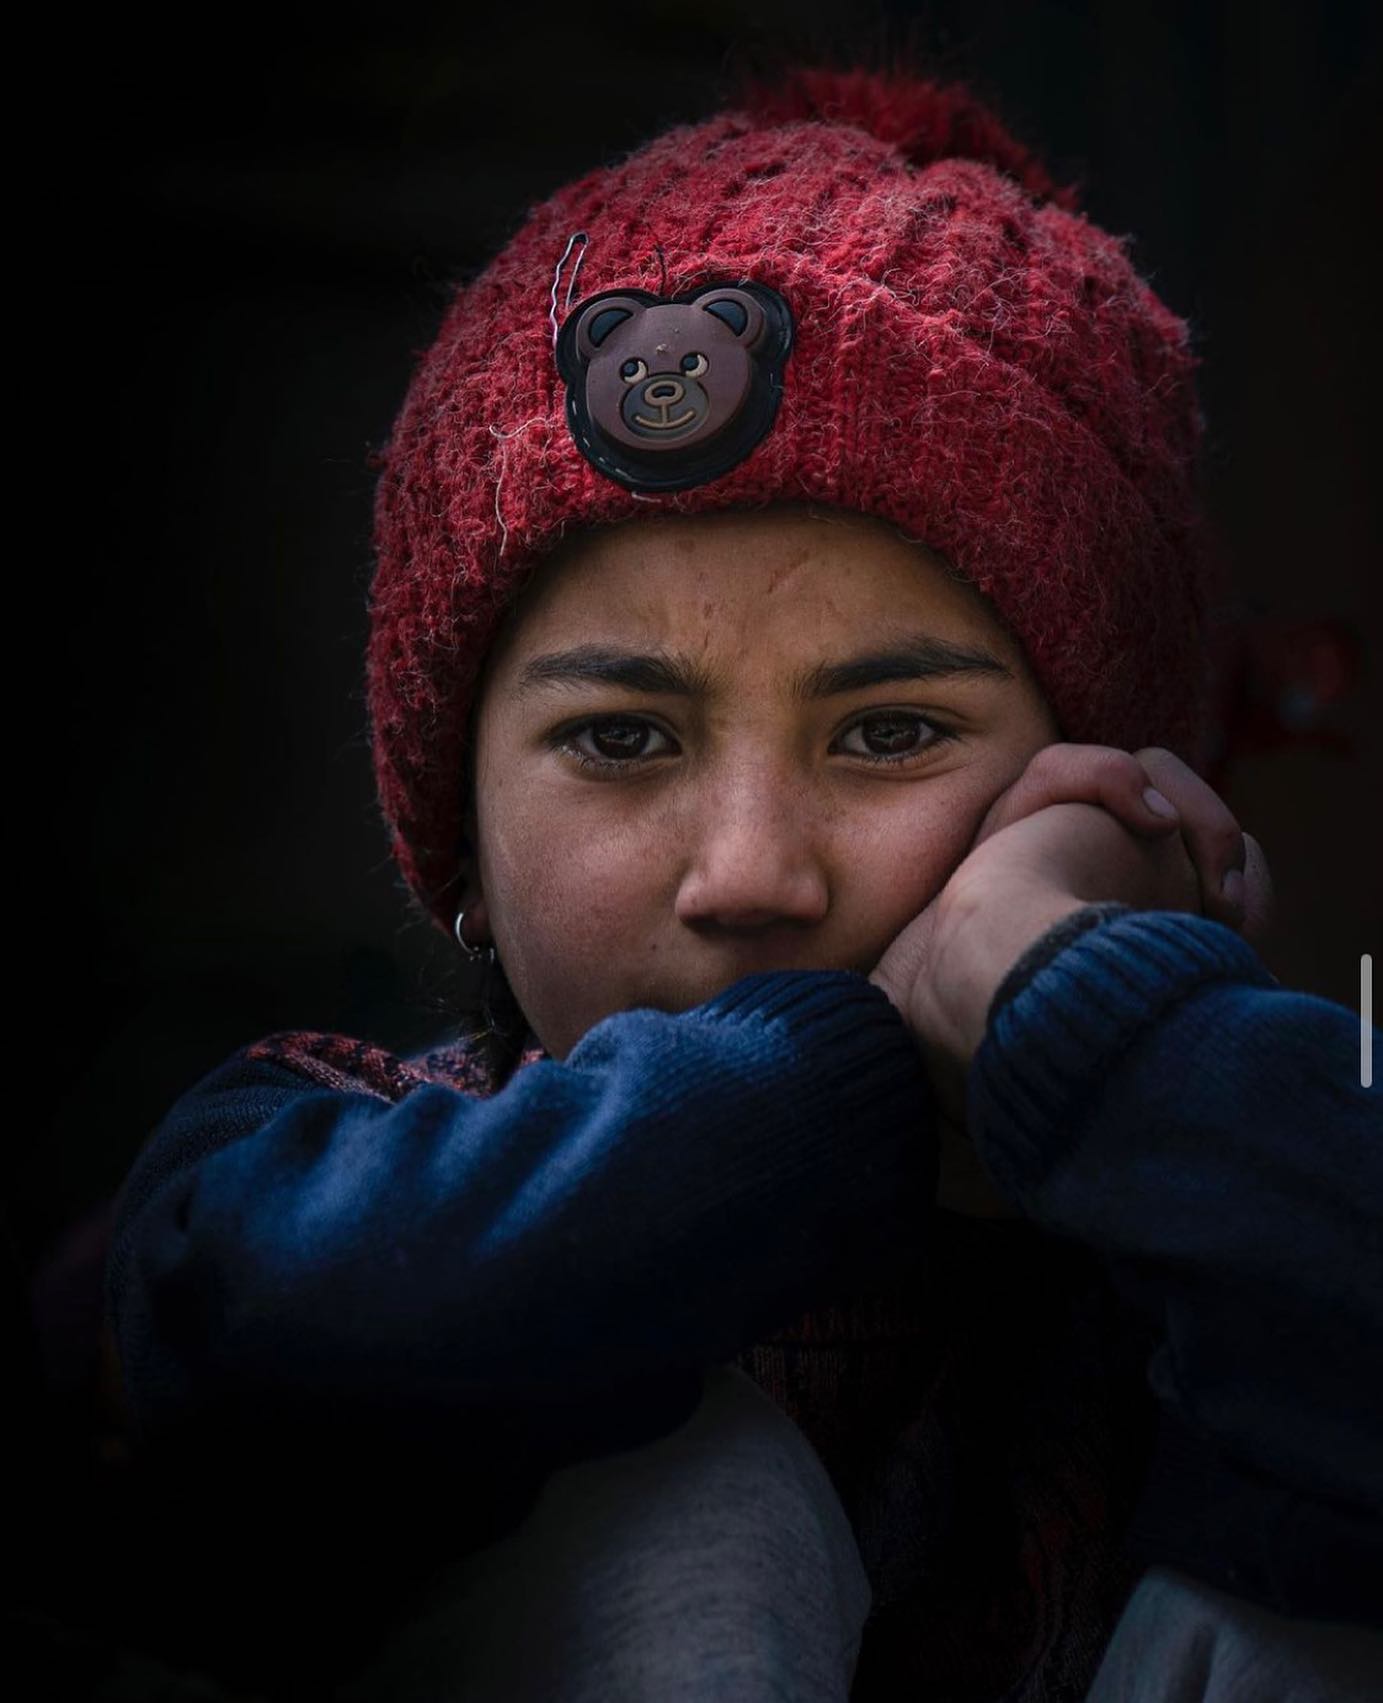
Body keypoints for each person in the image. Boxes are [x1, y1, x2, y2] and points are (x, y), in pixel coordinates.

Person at [101, 62, 1382, 1703]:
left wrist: (1079, 1002)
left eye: (895, 731)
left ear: (1097, 793)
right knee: (678, 1486)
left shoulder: (1178, 1216)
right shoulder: (305, 1163)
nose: (753, 872)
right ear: (463, 852)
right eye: (624, 740)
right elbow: (274, 1374)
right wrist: (856, 1070)